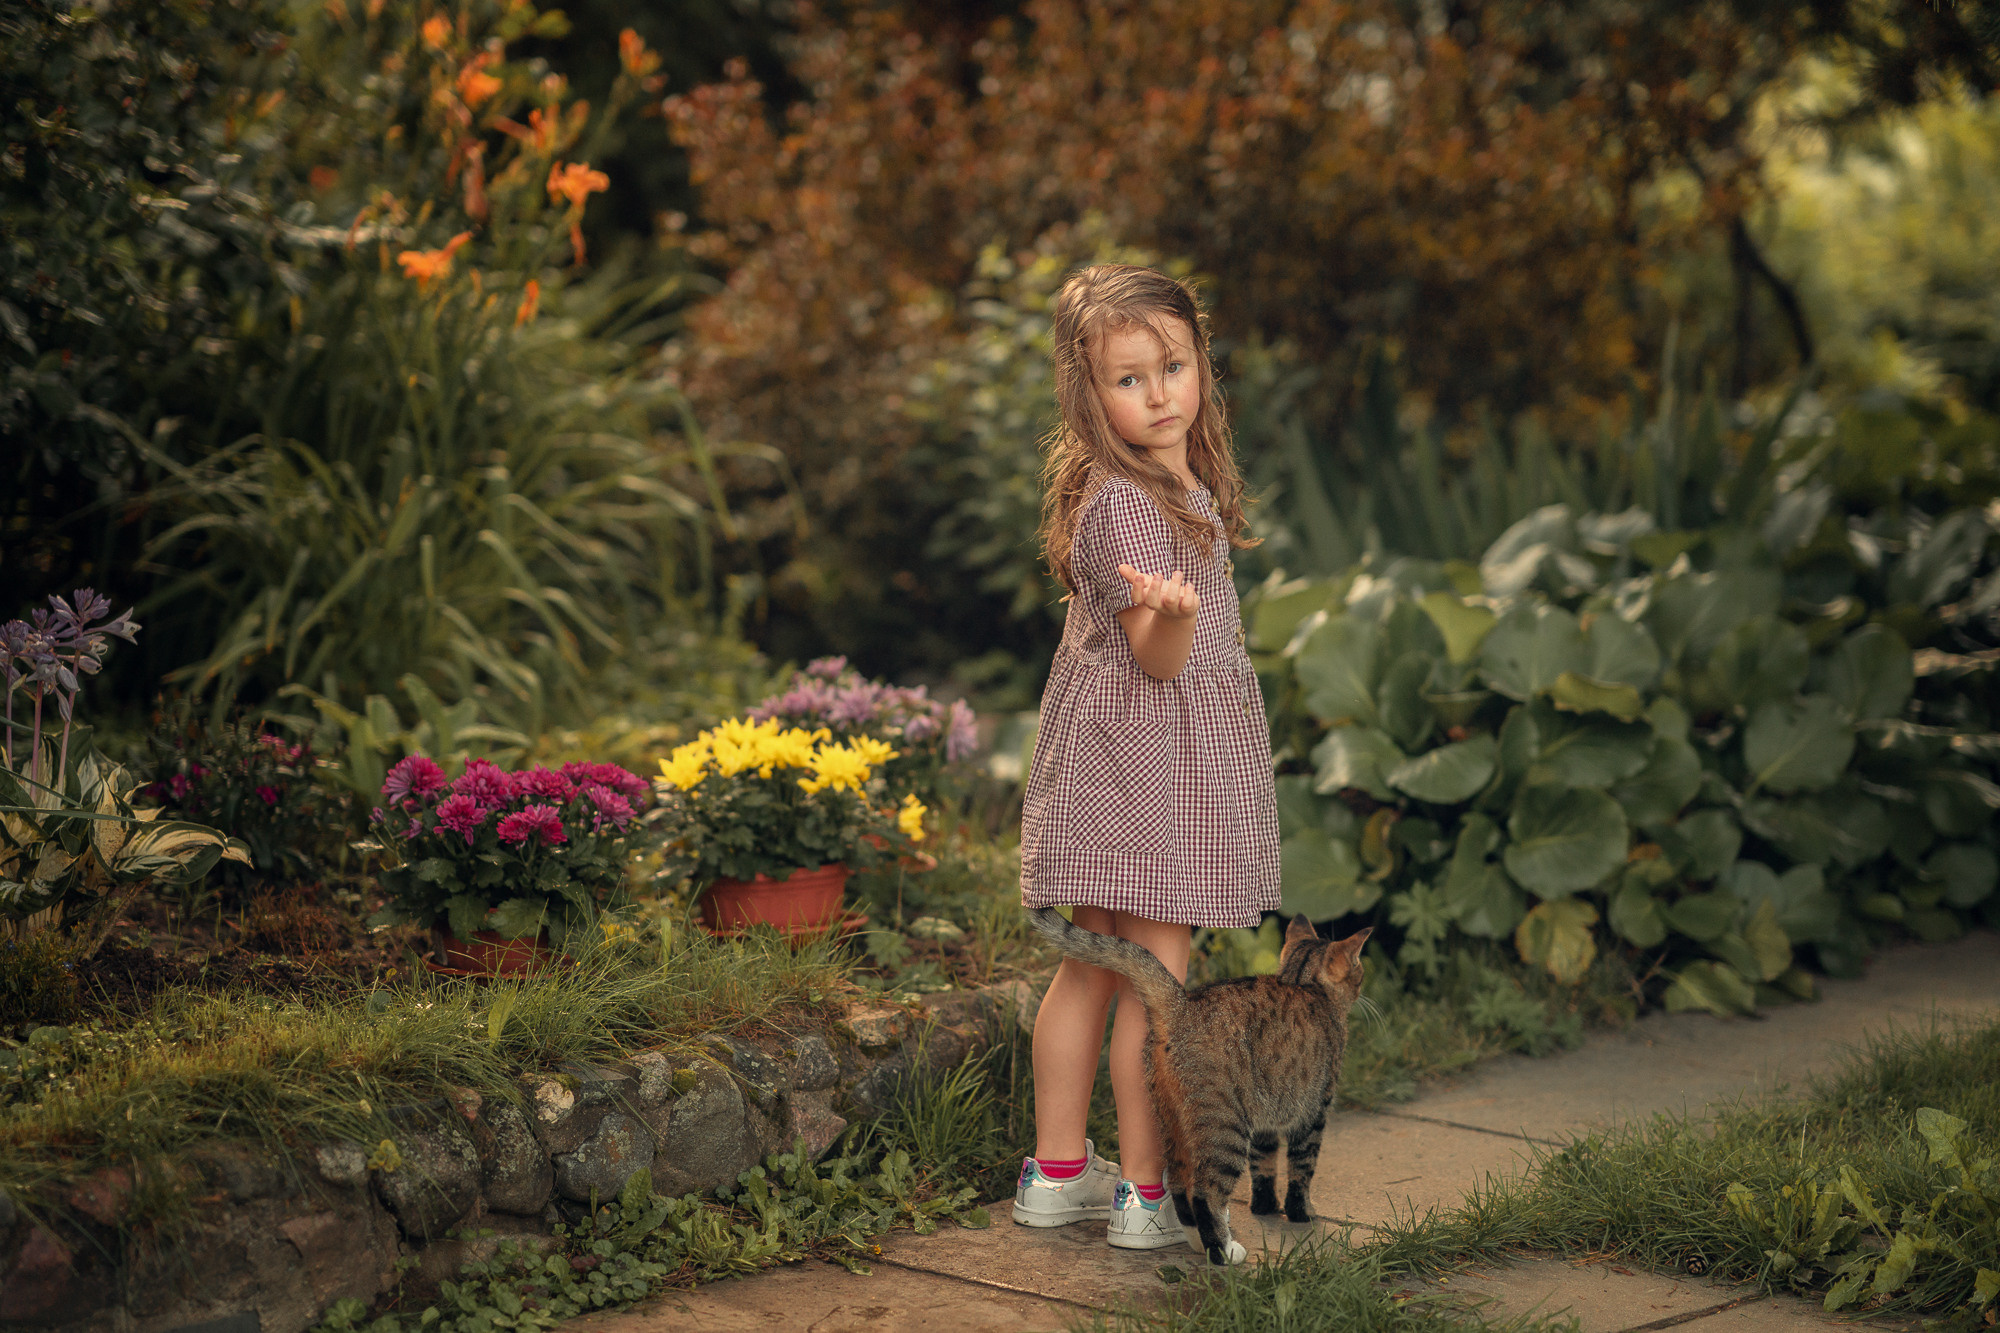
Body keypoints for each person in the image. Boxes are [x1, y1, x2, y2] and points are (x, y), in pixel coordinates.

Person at [1012, 263, 1280, 1258]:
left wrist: (1175, 617)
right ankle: (1141, 1193)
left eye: (1172, 365)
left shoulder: (1153, 488)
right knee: (1153, 983)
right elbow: (1155, 660)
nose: (1159, 392)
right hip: (1148, 775)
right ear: (1089, 397)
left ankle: (1055, 1176)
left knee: (1091, 966)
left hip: (1113, 766)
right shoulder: (1129, 505)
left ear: (1199, 362)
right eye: (1129, 379)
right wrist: (1172, 618)